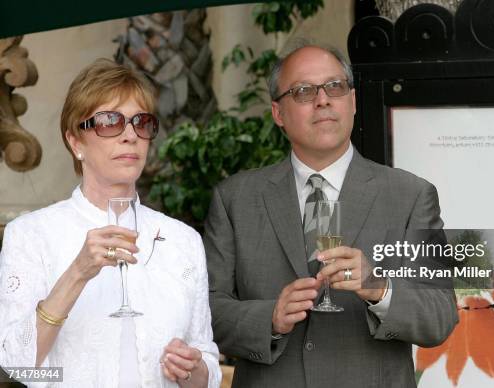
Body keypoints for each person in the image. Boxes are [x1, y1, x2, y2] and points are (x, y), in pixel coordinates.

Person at [204, 42, 458, 388]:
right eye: (304, 91)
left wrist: (379, 288)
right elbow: (206, 311)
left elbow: (440, 314)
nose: (322, 100)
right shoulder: (235, 199)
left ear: (352, 101)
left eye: (334, 87)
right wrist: (269, 319)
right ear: (278, 113)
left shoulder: (410, 196)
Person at [0, 59, 221, 387]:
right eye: (109, 121)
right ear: (76, 142)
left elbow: (206, 361)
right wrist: (77, 273)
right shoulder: (31, 235)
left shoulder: (183, 240)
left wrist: (195, 369)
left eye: (141, 122)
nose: (130, 135)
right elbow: (17, 366)